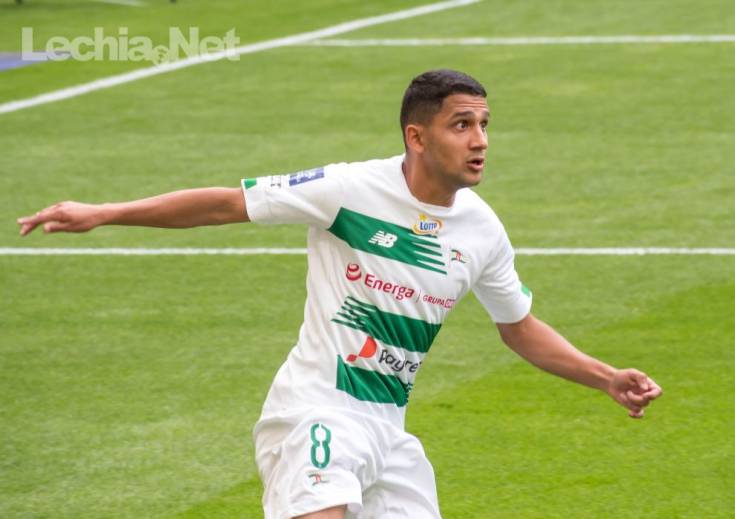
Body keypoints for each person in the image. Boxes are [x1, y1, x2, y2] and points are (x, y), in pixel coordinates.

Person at [17, 69, 662, 519]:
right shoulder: (348, 190)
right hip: (316, 412)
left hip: (389, 434)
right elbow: (225, 204)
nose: (480, 140)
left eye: (485, 124)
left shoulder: (482, 230)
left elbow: (518, 326)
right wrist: (106, 212)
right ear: (416, 136)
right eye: (462, 124)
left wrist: (605, 377)